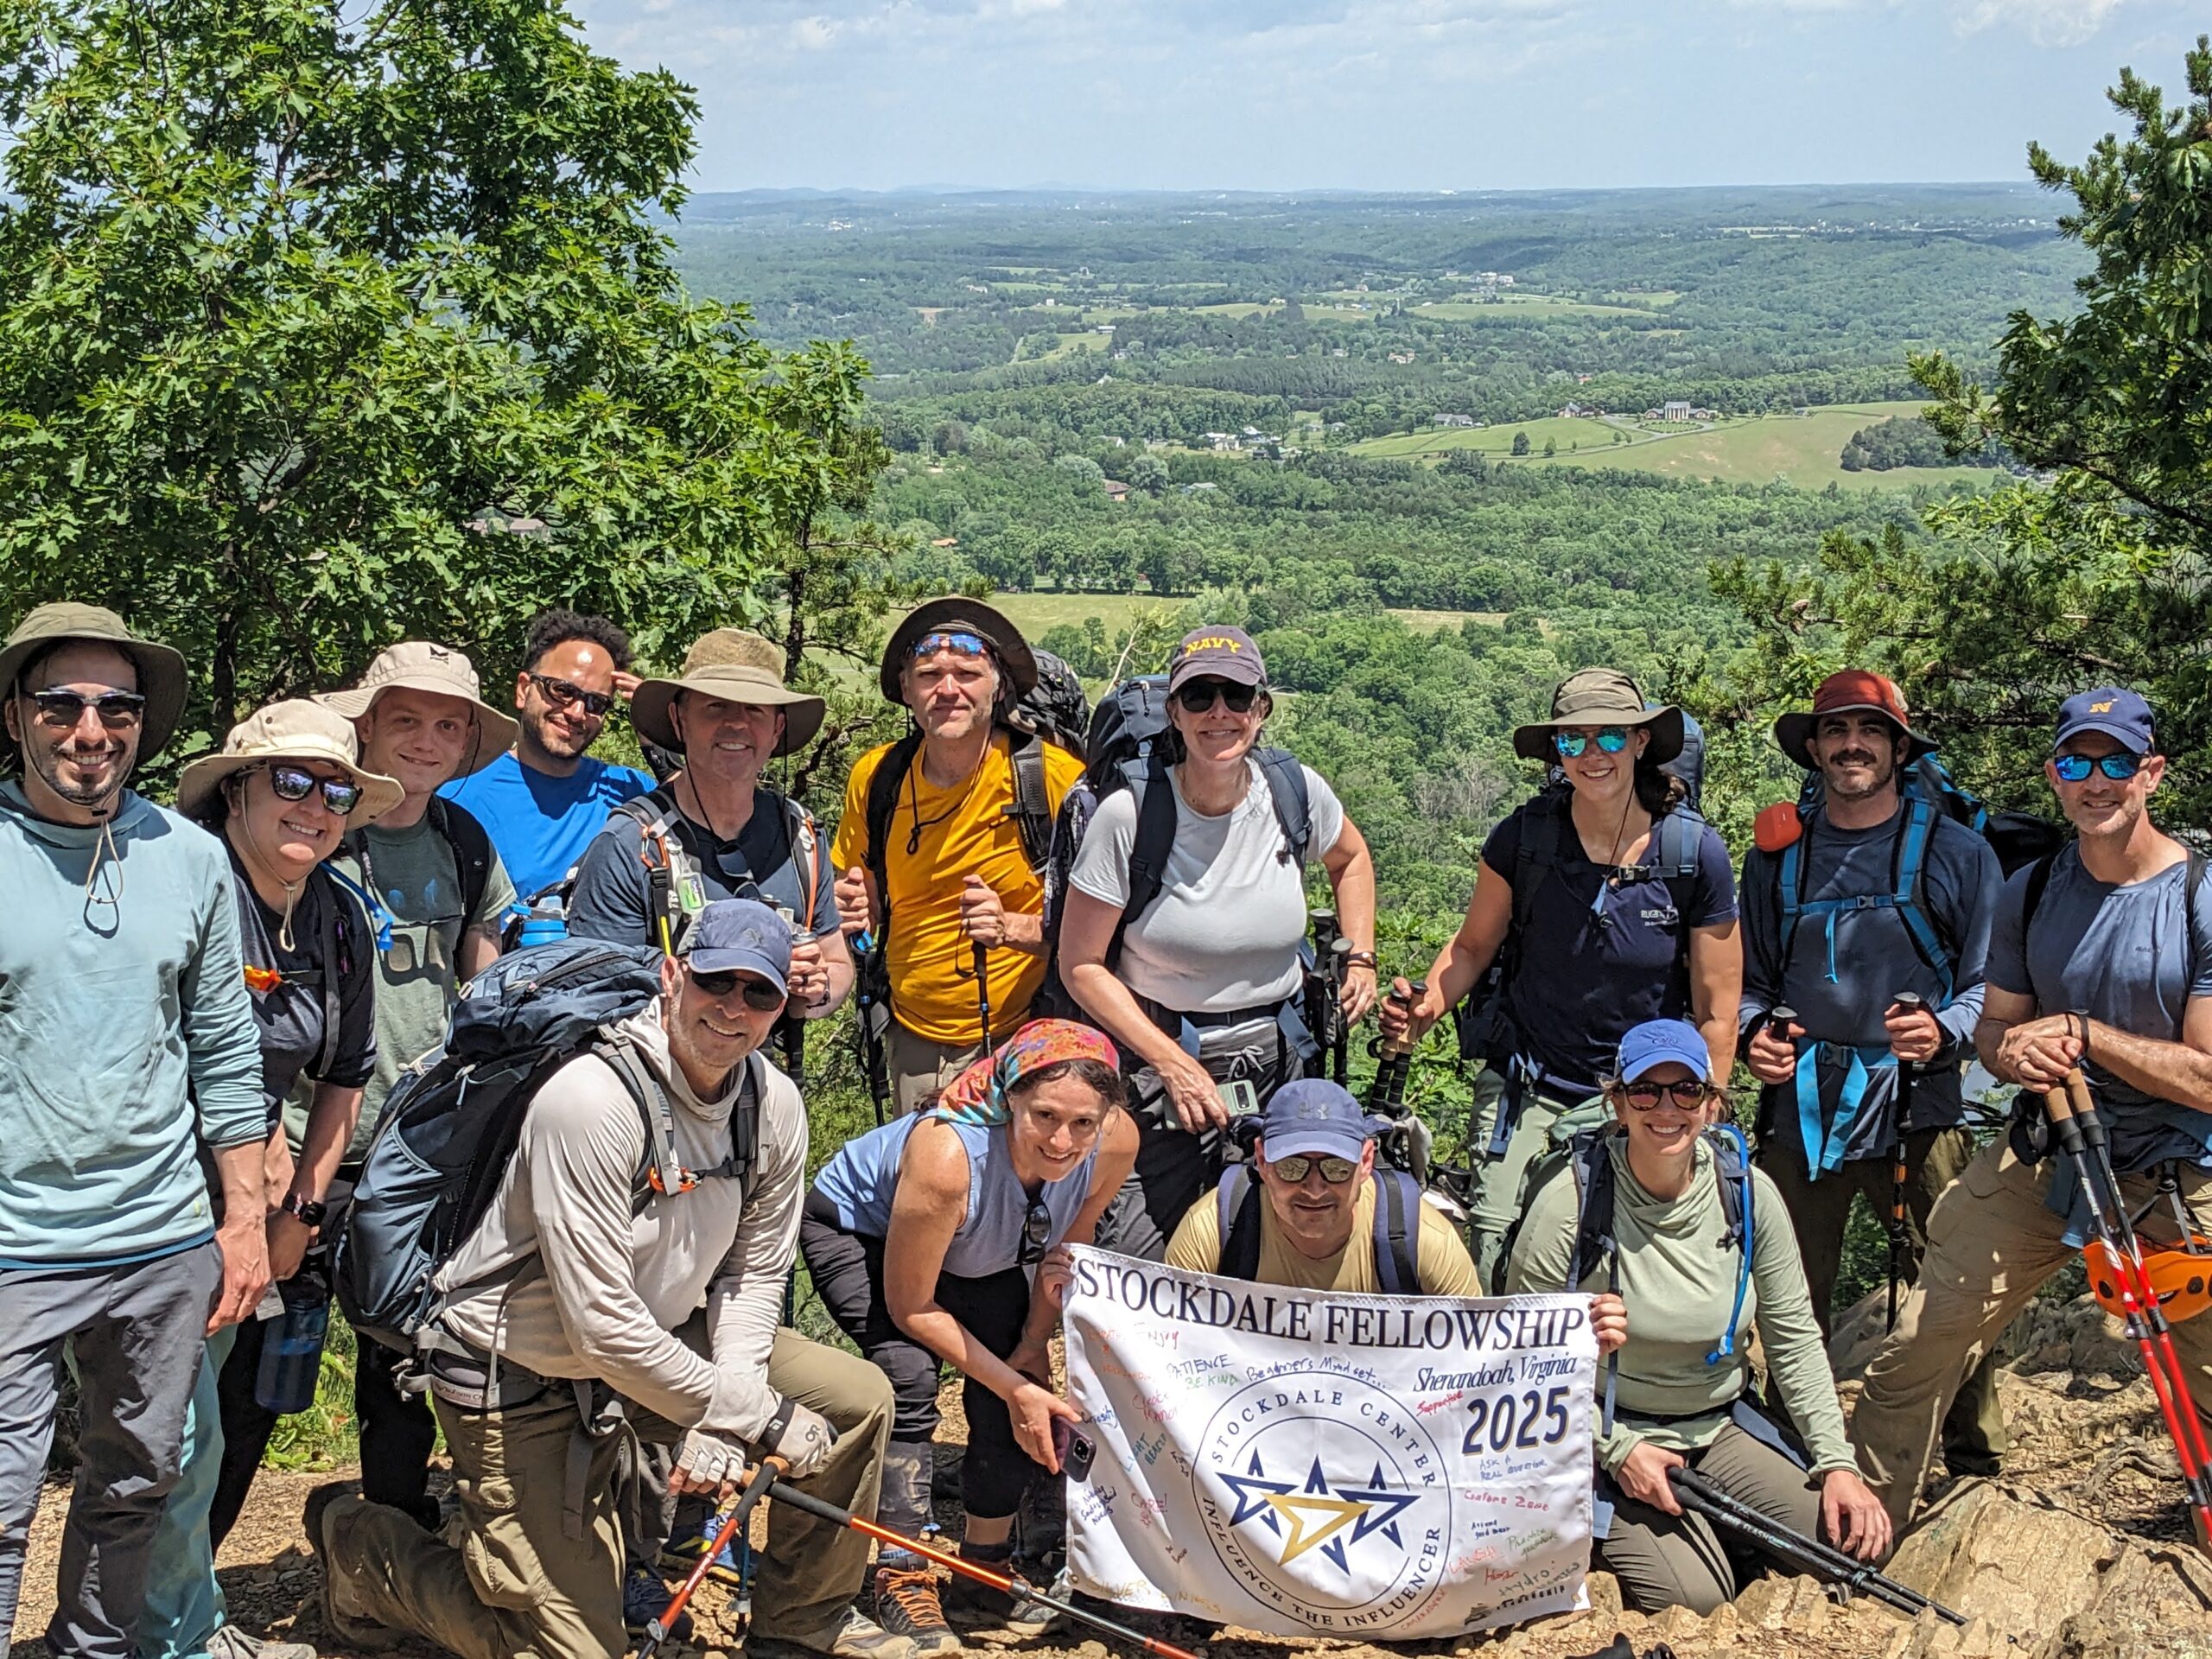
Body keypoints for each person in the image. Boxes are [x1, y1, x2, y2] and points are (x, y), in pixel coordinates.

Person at [312, 901, 912, 1659]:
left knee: (853, 1401)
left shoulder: (772, 1103)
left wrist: (728, 1412)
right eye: (712, 982)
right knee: (567, 1651)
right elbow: (597, 1322)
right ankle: (365, 1552)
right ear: (672, 976)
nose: (732, 1008)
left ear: (780, 1005)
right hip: (519, 1368)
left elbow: (756, 1271)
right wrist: (748, 1412)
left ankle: (797, 1629)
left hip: (651, 1345)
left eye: (758, 993)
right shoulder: (590, 1100)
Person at [1853, 688, 2212, 1529]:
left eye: (2116, 760)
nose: (2096, 781)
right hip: (2049, 1159)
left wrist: (2086, 1036)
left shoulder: (2198, 899)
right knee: (1920, 1340)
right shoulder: (2031, 889)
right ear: (2054, 775)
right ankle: (1859, 1530)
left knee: (2204, 1383)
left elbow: (2204, 1079)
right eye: (2077, 762)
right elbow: (1997, 1031)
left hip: (2176, 1169)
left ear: (2150, 772)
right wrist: (2010, 1051)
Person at [0, 603, 268, 1659]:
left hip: (159, 1237)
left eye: (115, 705)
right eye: (60, 702)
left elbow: (224, 1047)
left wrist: (241, 1217)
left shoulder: (189, 857)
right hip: (14, 1240)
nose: (89, 727)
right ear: (17, 716)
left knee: (138, 1485)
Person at [140, 702, 402, 1659]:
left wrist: (299, 1212)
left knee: (192, 1434)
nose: (315, 806)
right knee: (172, 1438)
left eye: (334, 790)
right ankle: (168, 1633)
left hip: (255, 1210)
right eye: (289, 782)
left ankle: (172, 1625)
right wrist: (254, 1186)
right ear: (238, 790)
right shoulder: (187, 888)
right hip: (157, 1200)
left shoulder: (337, 917)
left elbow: (344, 1078)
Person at [1507, 1020, 1890, 1615]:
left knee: (1848, 1551)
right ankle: (1612, 1530)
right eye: (1646, 1091)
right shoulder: (1571, 1203)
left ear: (1711, 1105)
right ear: (1619, 1104)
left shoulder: (1748, 1194)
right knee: (1696, 1601)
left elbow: (1793, 1341)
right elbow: (1521, 1365)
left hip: (1719, 1424)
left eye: (1686, 1091)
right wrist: (1615, 1450)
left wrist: (1836, 1463)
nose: (1667, 1108)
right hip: (1610, 1436)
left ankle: (1721, 1525)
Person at [1380, 667, 1741, 1290]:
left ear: (1640, 742)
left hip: (1645, 1096)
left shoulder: (1692, 855)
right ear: (1556, 753)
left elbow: (1717, 1009)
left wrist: (1701, 1109)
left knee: (1635, 1262)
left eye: (1610, 736)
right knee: (1497, 1254)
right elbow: (1471, 947)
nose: (1592, 753)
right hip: (1530, 1081)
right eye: (1573, 740)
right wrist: (1427, 1005)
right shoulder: (1525, 839)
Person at [1738, 670, 2006, 1477]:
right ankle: (1792, 1463)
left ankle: (1972, 1456)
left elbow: (1991, 982)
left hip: (1917, 1107)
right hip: (1800, 1110)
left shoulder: (1956, 852)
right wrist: (1755, 1033)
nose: (1852, 746)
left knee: (1951, 1287)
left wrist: (1945, 1030)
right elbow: (1745, 976)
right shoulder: (1777, 861)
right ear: (1814, 748)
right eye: (1836, 732)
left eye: (1870, 732)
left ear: (1896, 747)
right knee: (1787, 1294)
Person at [804, 1021, 1138, 1654]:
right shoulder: (947, 1157)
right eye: (1043, 1116)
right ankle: (896, 1571)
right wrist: (1014, 1382)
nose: (1063, 1141)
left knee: (1017, 1382)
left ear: (1107, 1117)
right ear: (1011, 1098)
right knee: (908, 1373)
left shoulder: (1117, 1143)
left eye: (1083, 1124)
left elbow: (1068, 1245)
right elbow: (911, 1308)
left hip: (977, 1249)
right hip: (861, 1232)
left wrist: (1033, 1345)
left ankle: (985, 1565)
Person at [1058, 626, 1378, 1262]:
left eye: (1237, 697)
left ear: (1261, 709)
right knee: (1146, 1248)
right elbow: (1081, 965)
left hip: (1280, 1050)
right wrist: (1171, 1065)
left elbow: (1352, 858)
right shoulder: (1130, 816)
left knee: (1278, 1232)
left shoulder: (1293, 792)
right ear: (1174, 712)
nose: (1219, 714)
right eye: (1200, 697)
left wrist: (1362, 954)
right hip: (1160, 1057)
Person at [313, 642, 518, 1536]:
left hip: (416, 1146)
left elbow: (484, 980)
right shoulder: (317, 823)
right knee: (251, 1364)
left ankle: (391, 1530)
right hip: (301, 1138)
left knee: (397, 1349)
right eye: (406, 720)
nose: (427, 742)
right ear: (365, 724)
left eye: (448, 726)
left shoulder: (463, 843)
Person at [833, 599, 1084, 1111]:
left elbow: (1109, 935)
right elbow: (866, 904)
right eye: (929, 675)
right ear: (906, 689)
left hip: (1027, 1033)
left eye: (967, 673)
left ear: (998, 687)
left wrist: (1009, 928)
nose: (948, 690)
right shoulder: (878, 778)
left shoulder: (1053, 781)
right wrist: (851, 910)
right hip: (911, 1039)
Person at [568, 626, 848, 1016]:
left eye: (755, 709)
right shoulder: (632, 845)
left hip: (766, 1073)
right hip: (650, 1069)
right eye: (715, 706)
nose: (736, 723)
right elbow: (596, 987)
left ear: (777, 729)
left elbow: (837, 963)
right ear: (679, 719)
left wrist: (814, 989)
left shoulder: (800, 837)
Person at [1165, 1078, 1484, 1296]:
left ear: (1366, 1162)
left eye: (1336, 1168)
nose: (1315, 1188)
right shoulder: (1214, 1229)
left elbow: (1474, 1365)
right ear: (1261, 1160)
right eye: (1292, 1168)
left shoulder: (1425, 1240)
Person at [438, 607, 652, 910]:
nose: (577, 712)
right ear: (524, 690)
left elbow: (706, 820)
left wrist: (655, 724)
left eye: (596, 702)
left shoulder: (630, 792)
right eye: (562, 690)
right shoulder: (459, 789)